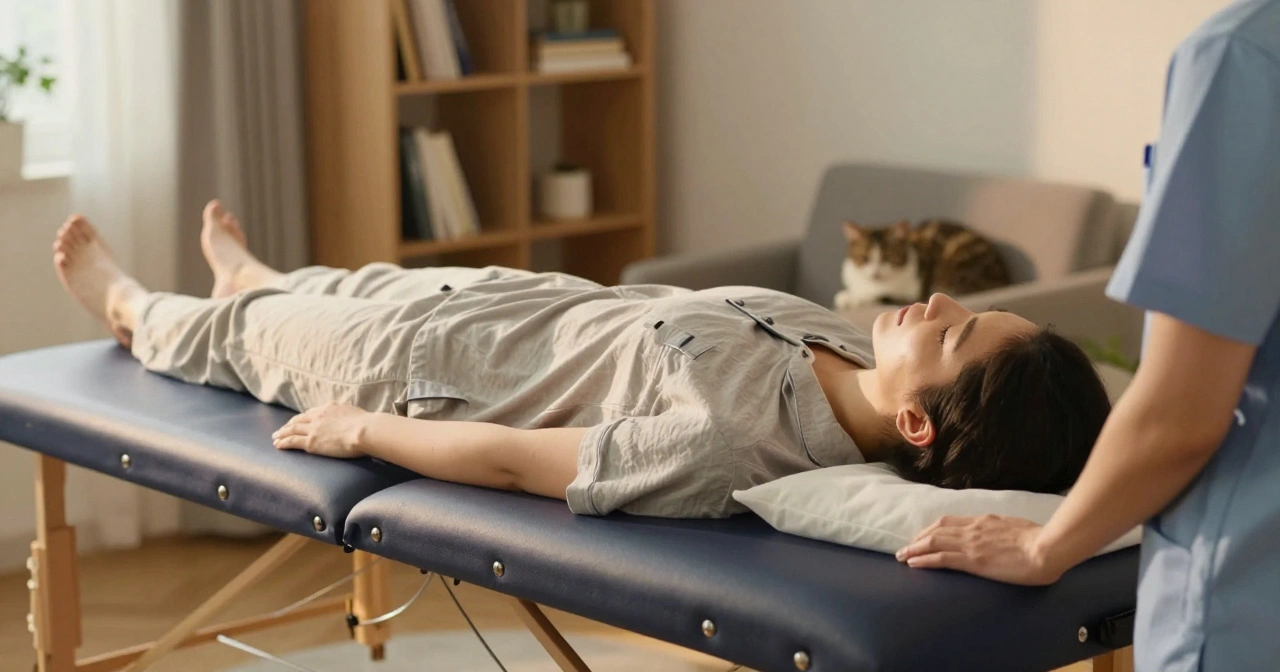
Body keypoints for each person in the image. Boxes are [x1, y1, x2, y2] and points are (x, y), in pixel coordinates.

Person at [51, 201, 1110, 518]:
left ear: (917, 424)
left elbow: (520, 461)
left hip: (414, 371)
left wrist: (362, 429)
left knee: (238, 340)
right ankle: (259, 278)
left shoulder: (729, 449)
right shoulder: (845, 341)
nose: (929, 303)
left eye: (952, 332)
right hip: (503, 303)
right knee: (343, 279)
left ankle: (139, 309)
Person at [897, 0, 1280, 671]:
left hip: (1250, 600)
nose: (936, 304)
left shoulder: (1245, 55)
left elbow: (1180, 415)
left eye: (959, 330)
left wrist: (1046, 545)